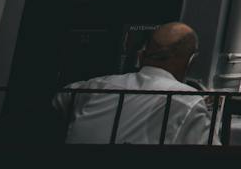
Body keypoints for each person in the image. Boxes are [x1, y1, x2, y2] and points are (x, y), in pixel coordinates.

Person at [55, 22, 212, 145]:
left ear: (142, 56)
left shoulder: (95, 87)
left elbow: (58, 100)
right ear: (191, 62)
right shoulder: (187, 100)